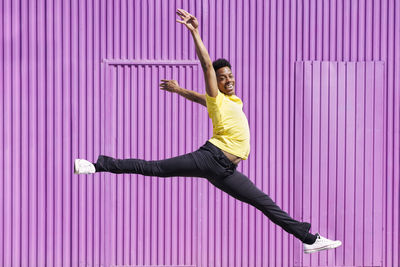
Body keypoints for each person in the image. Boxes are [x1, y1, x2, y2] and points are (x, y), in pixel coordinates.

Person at [74, 8, 341, 254]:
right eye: (222, 77)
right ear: (217, 82)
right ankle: (96, 165)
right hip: (210, 158)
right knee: (153, 168)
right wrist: (195, 33)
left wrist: (179, 90)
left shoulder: (228, 101)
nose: (228, 80)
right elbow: (205, 66)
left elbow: (200, 98)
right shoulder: (217, 95)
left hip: (224, 170)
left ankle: (309, 240)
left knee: (263, 202)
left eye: (230, 75)